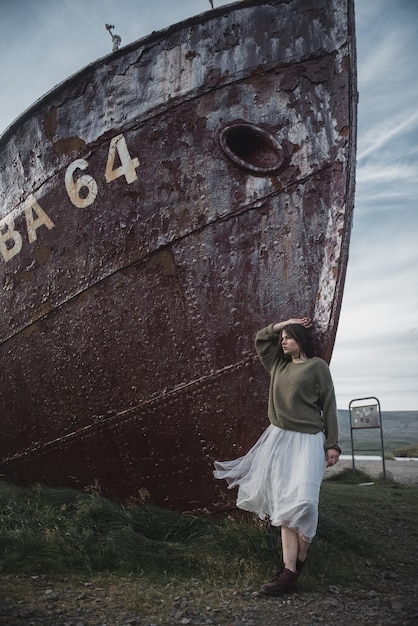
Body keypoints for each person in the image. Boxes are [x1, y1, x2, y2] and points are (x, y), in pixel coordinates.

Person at [213, 317, 341, 595]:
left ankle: (298, 565)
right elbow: (261, 338)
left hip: (309, 441)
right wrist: (286, 323)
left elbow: (329, 403)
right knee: (284, 506)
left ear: (301, 341)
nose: (282, 341)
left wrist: (333, 444)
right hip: (280, 439)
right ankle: (288, 573)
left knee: (305, 504)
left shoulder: (317, 367)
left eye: (288, 337)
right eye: (281, 337)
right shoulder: (278, 365)